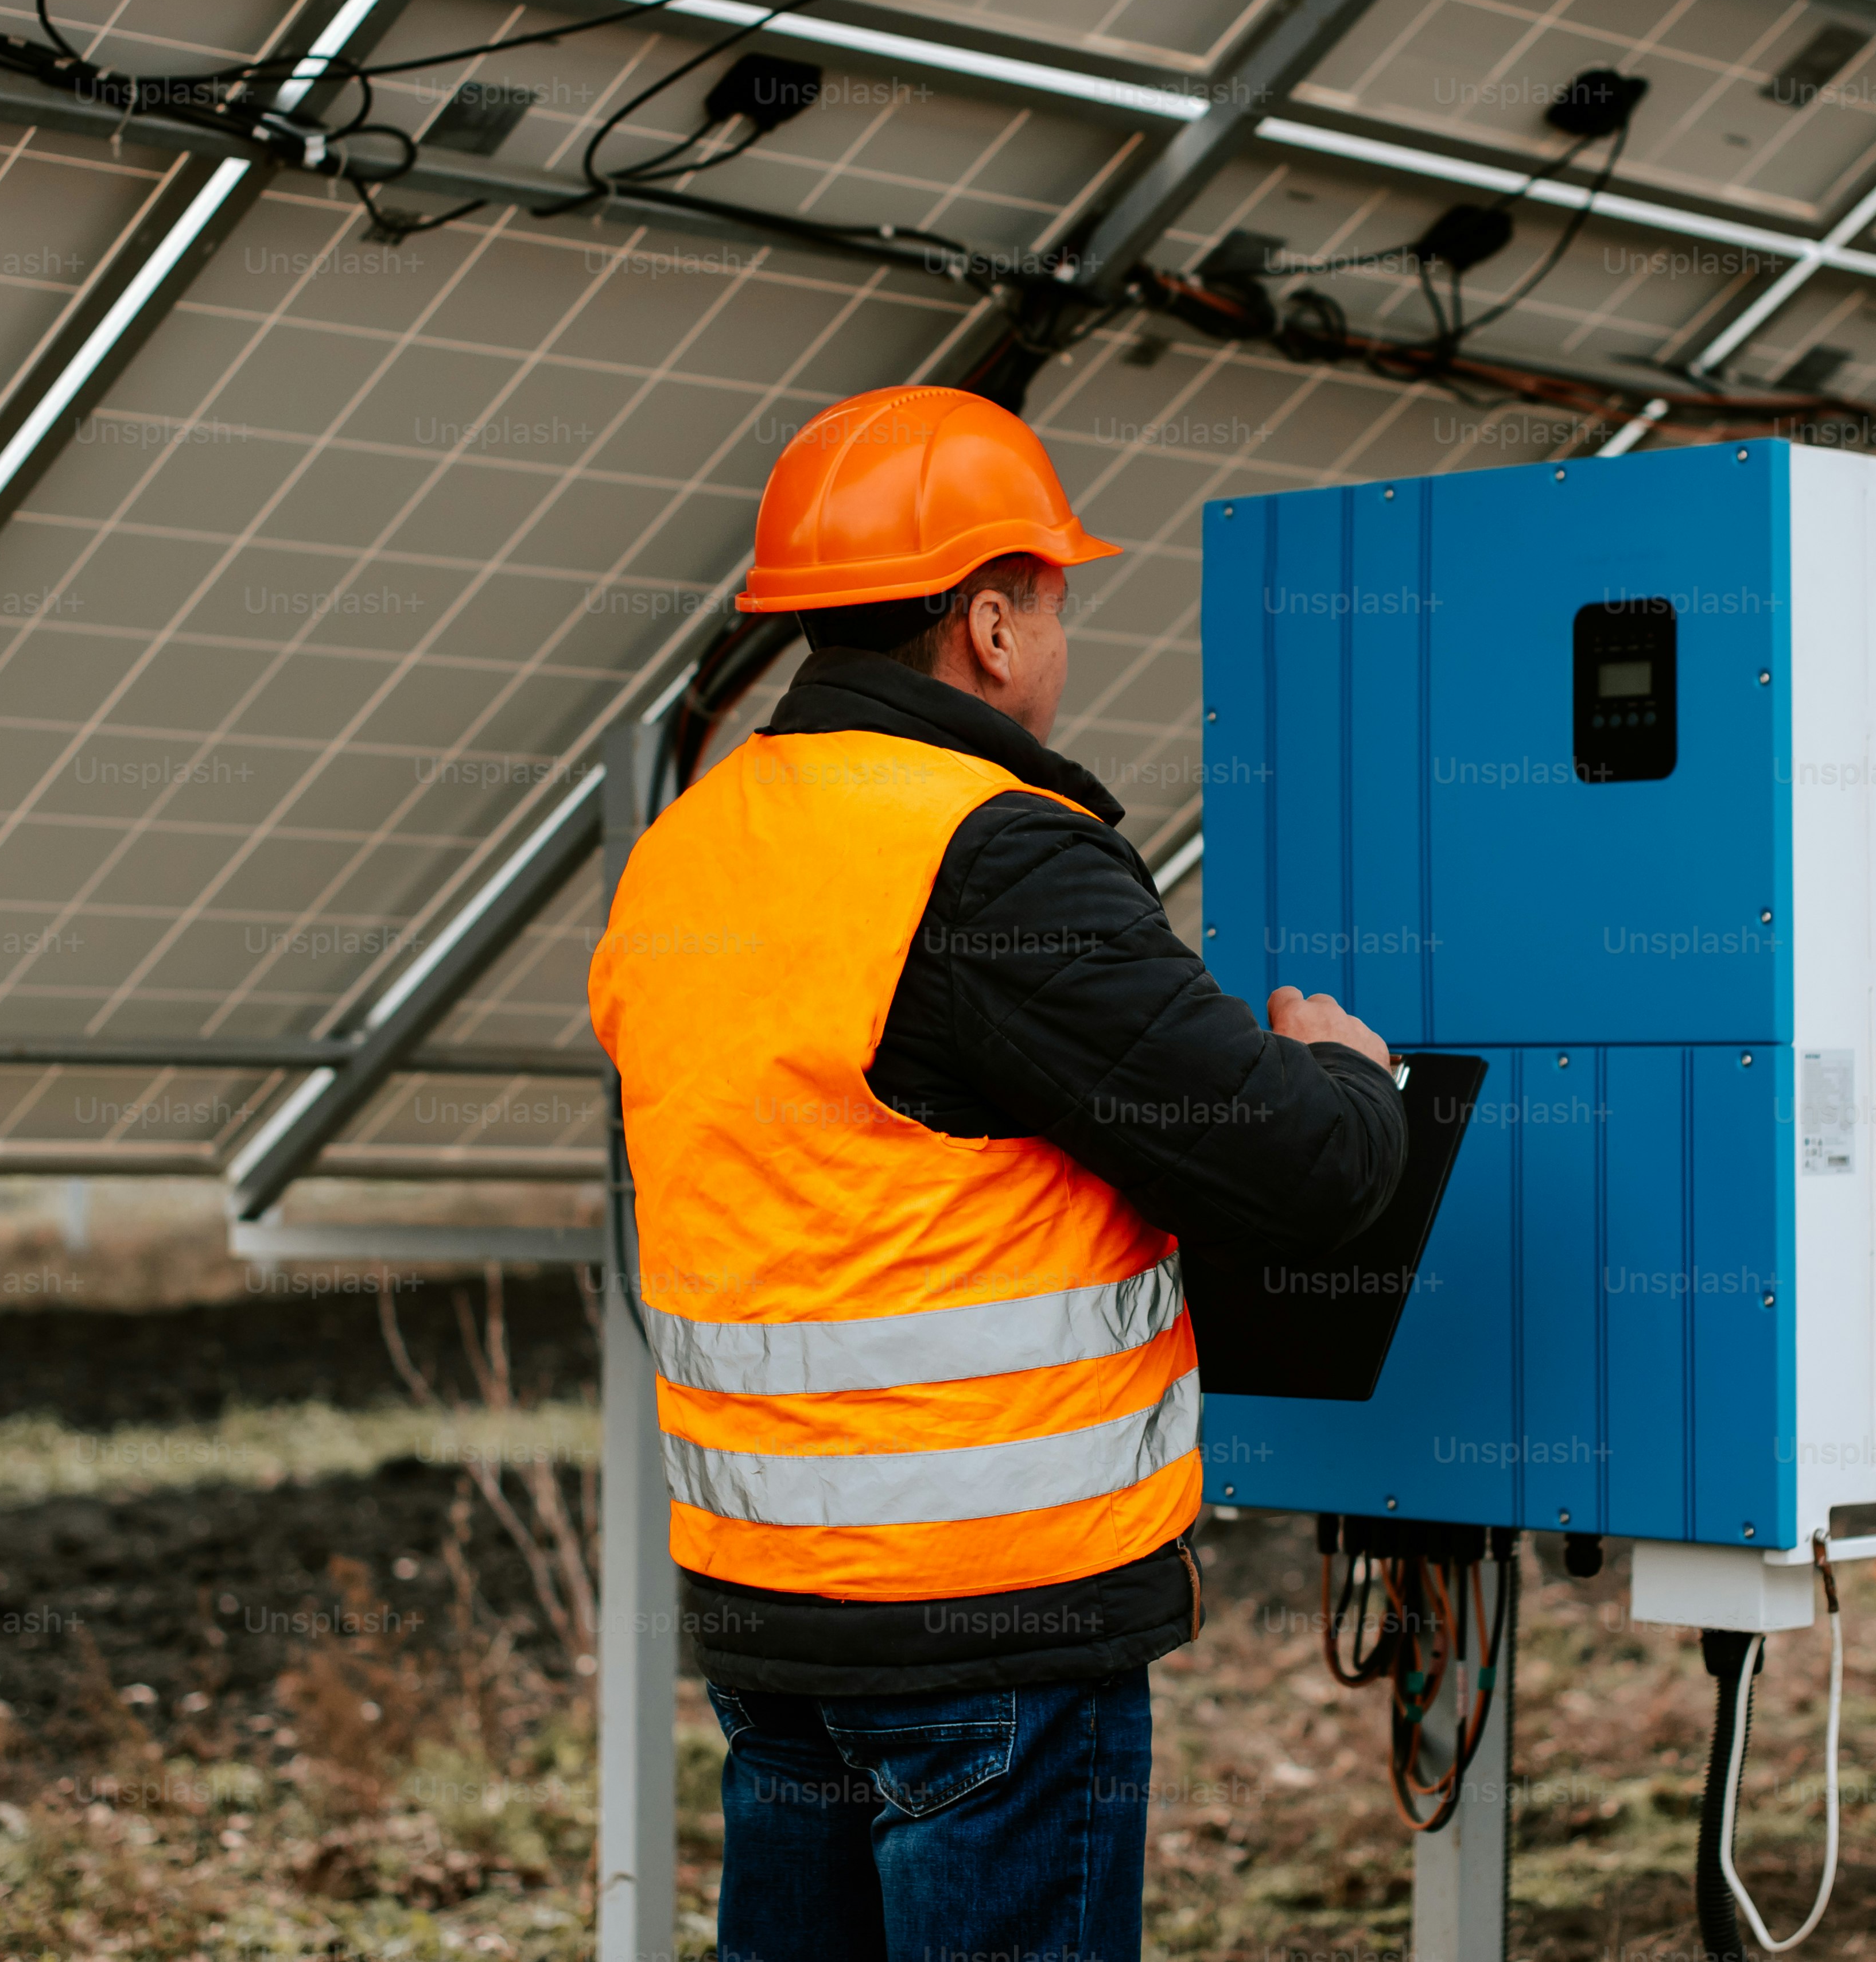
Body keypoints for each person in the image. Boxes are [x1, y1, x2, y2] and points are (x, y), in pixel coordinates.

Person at [588, 384, 1409, 1961]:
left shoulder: (688, 851)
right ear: (989, 623)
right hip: (997, 1631)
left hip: (775, 1612)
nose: (1057, 634)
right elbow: (1303, 1166)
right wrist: (1343, 1072)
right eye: (1053, 598)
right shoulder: (986, 852)